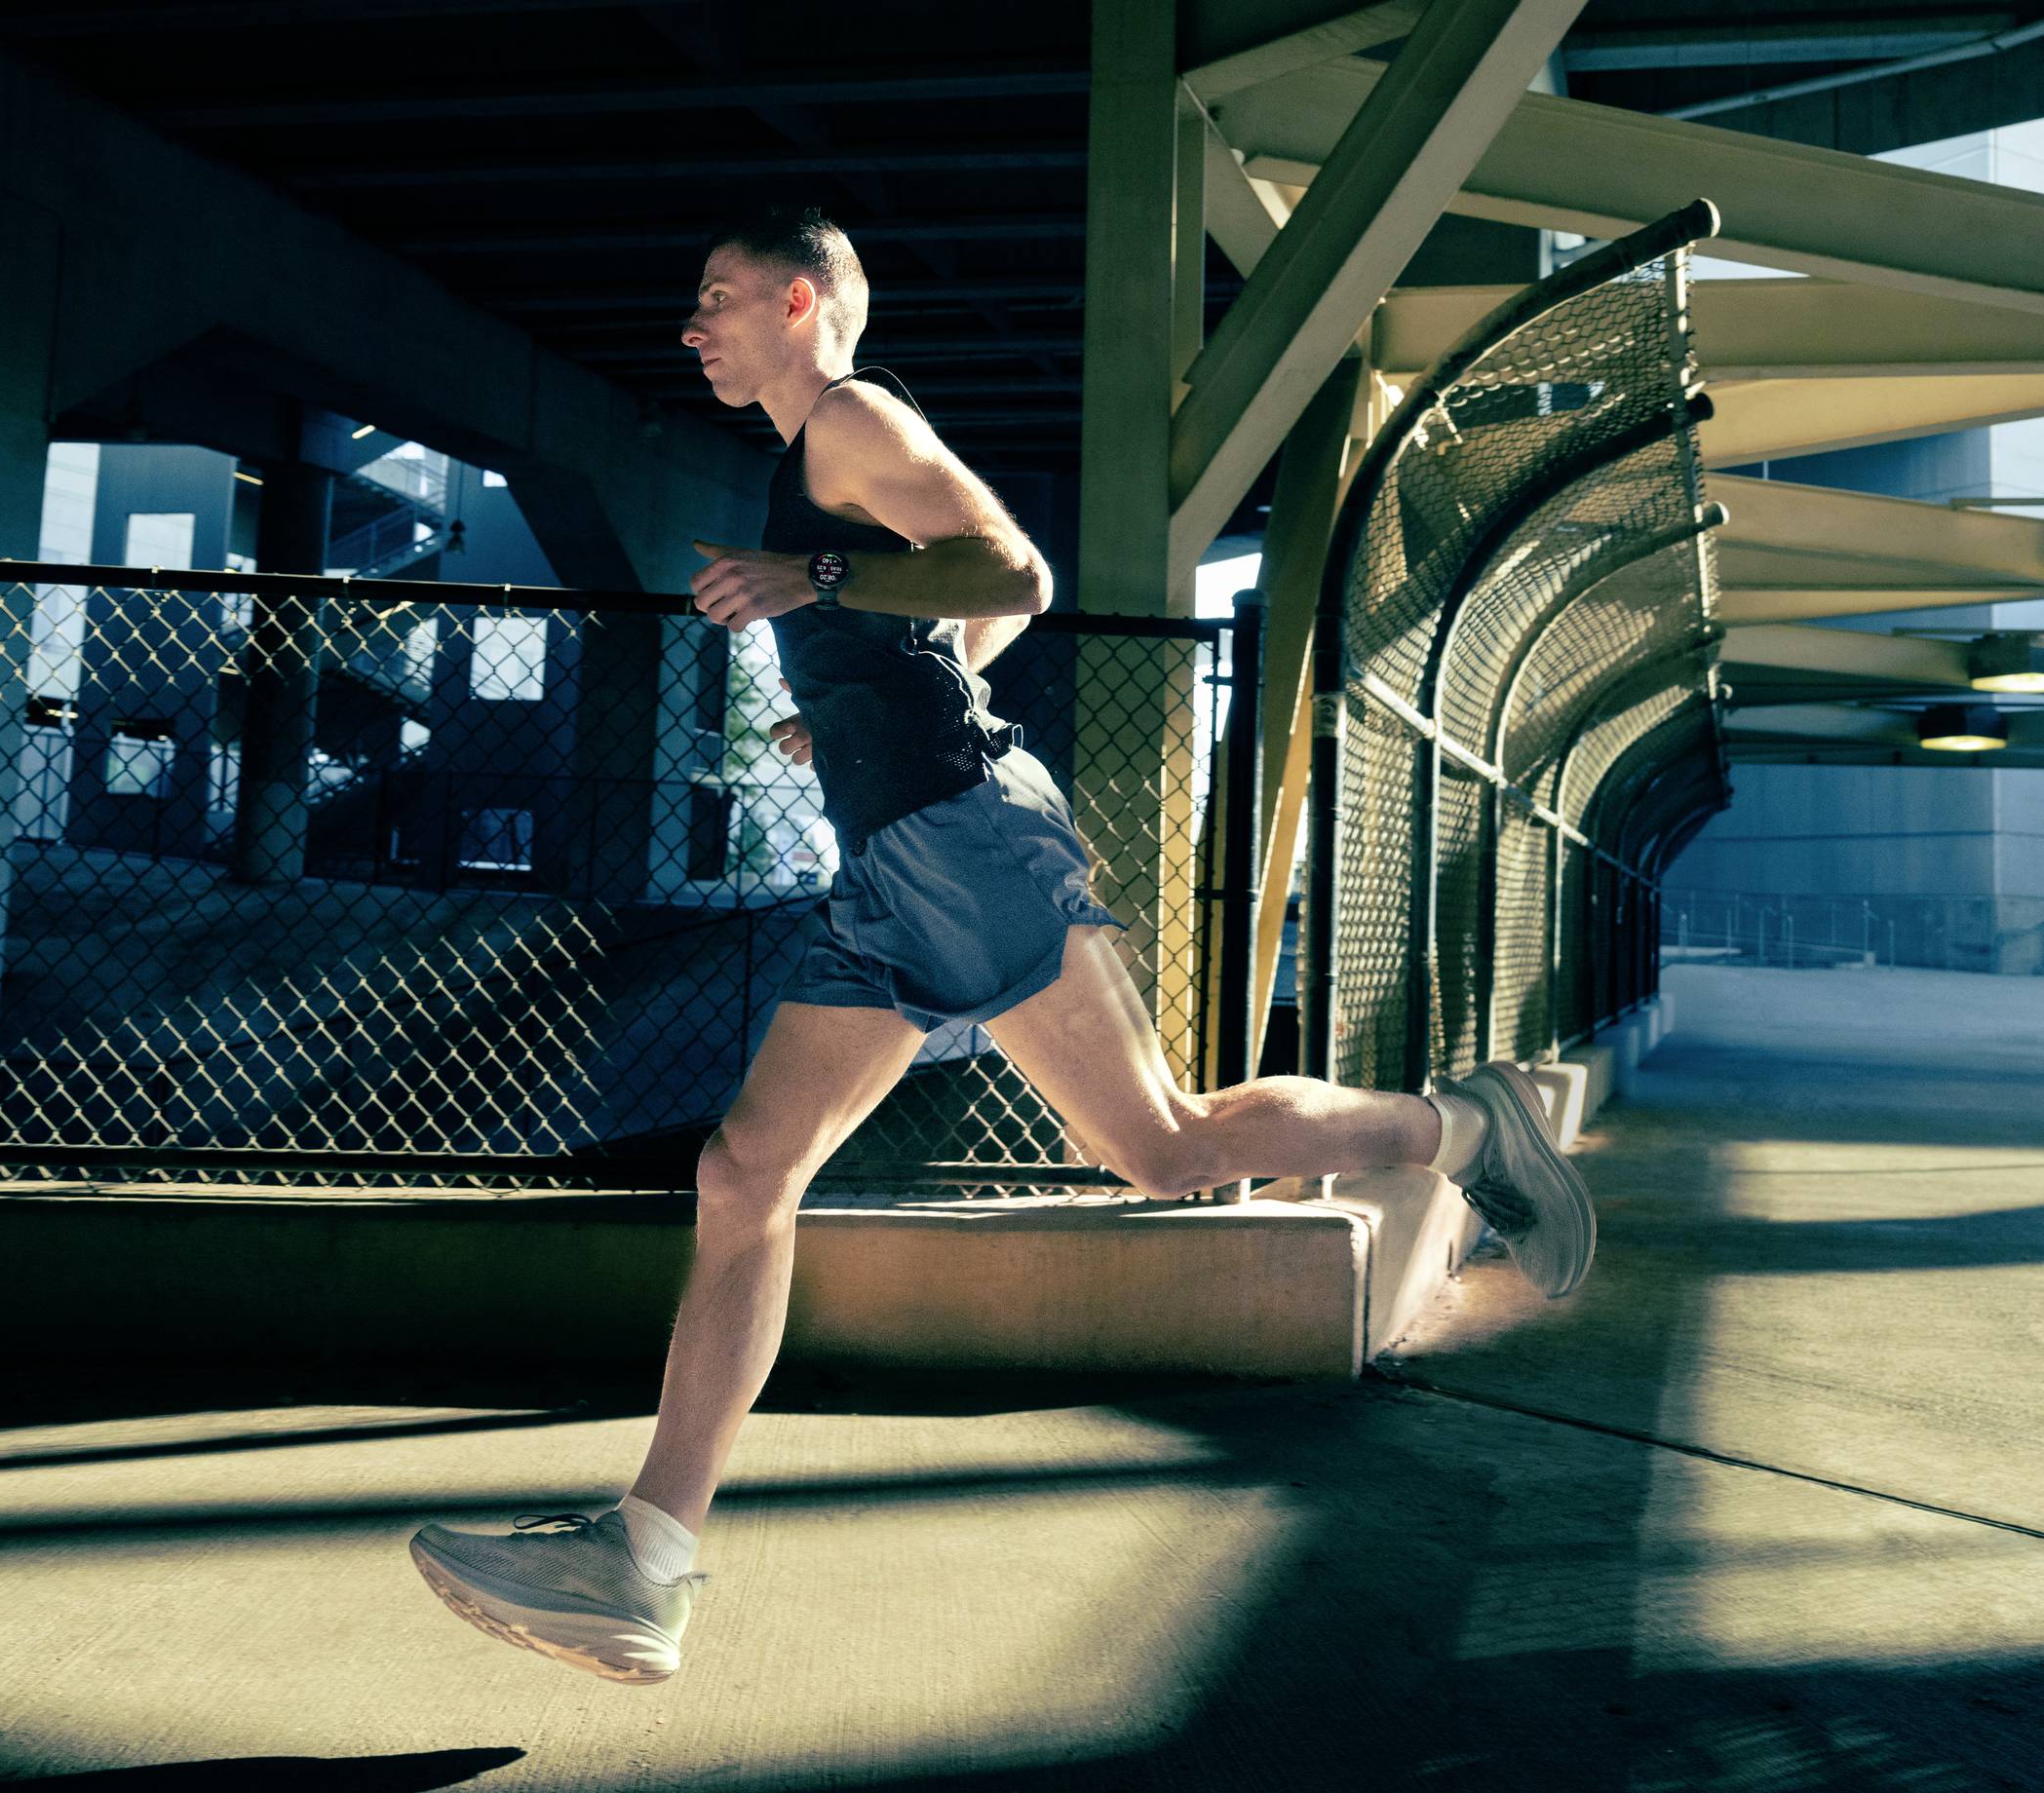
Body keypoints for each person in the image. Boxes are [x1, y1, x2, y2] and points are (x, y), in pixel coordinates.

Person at [406, 204, 1596, 1686]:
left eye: (715, 296)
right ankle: (645, 1560)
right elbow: (946, 617)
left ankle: (1458, 1129)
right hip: (894, 863)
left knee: (1158, 1149)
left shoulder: (846, 418)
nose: (691, 324)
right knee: (745, 1169)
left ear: (800, 300)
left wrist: (819, 591)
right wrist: (848, 696)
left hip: (960, 842)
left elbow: (1012, 573)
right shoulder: (814, 458)